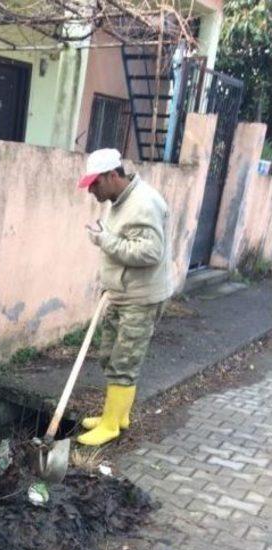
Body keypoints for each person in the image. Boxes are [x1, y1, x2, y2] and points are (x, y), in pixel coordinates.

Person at [76, 148, 173, 446]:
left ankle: (111, 426)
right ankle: (118, 415)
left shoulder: (144, 203)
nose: (91, 190)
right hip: (121, 293)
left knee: (124, 361)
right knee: (109, 355)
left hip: (140, 298)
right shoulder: (120, 200)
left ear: (113, 175)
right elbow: (126, 240)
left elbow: (149, 252)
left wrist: (105, 240)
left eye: (96, 184)